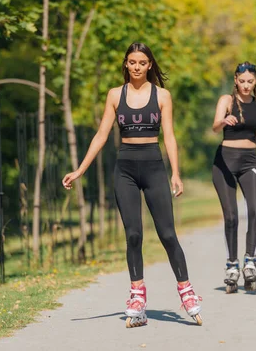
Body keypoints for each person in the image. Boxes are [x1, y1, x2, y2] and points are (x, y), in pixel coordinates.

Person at [62, 42, 202, 328]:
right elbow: (101, 135)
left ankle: (186, 292)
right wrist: (80, 170)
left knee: (167, 234)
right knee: (134, 235)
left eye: (142, 62)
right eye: (132, 62)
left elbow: (170, 137)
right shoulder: (115, 95)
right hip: (124, 168)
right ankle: (137, 298)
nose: (137, 67)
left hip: (153, 167)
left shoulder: (162, 95)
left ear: (150, 65)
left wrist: (176, 172)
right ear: (126, 64)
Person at [211, 61, 256, 293]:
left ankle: (250, 261)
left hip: (249, 161)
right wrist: (223, 120)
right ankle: (232, 266)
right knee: (231, 217)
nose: (246, 85)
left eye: (250, 81)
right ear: (235, 80)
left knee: (255, 210)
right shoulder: (226, 101)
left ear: (255, 81)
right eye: (242, 81)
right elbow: (215, 128)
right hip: (225, 161)